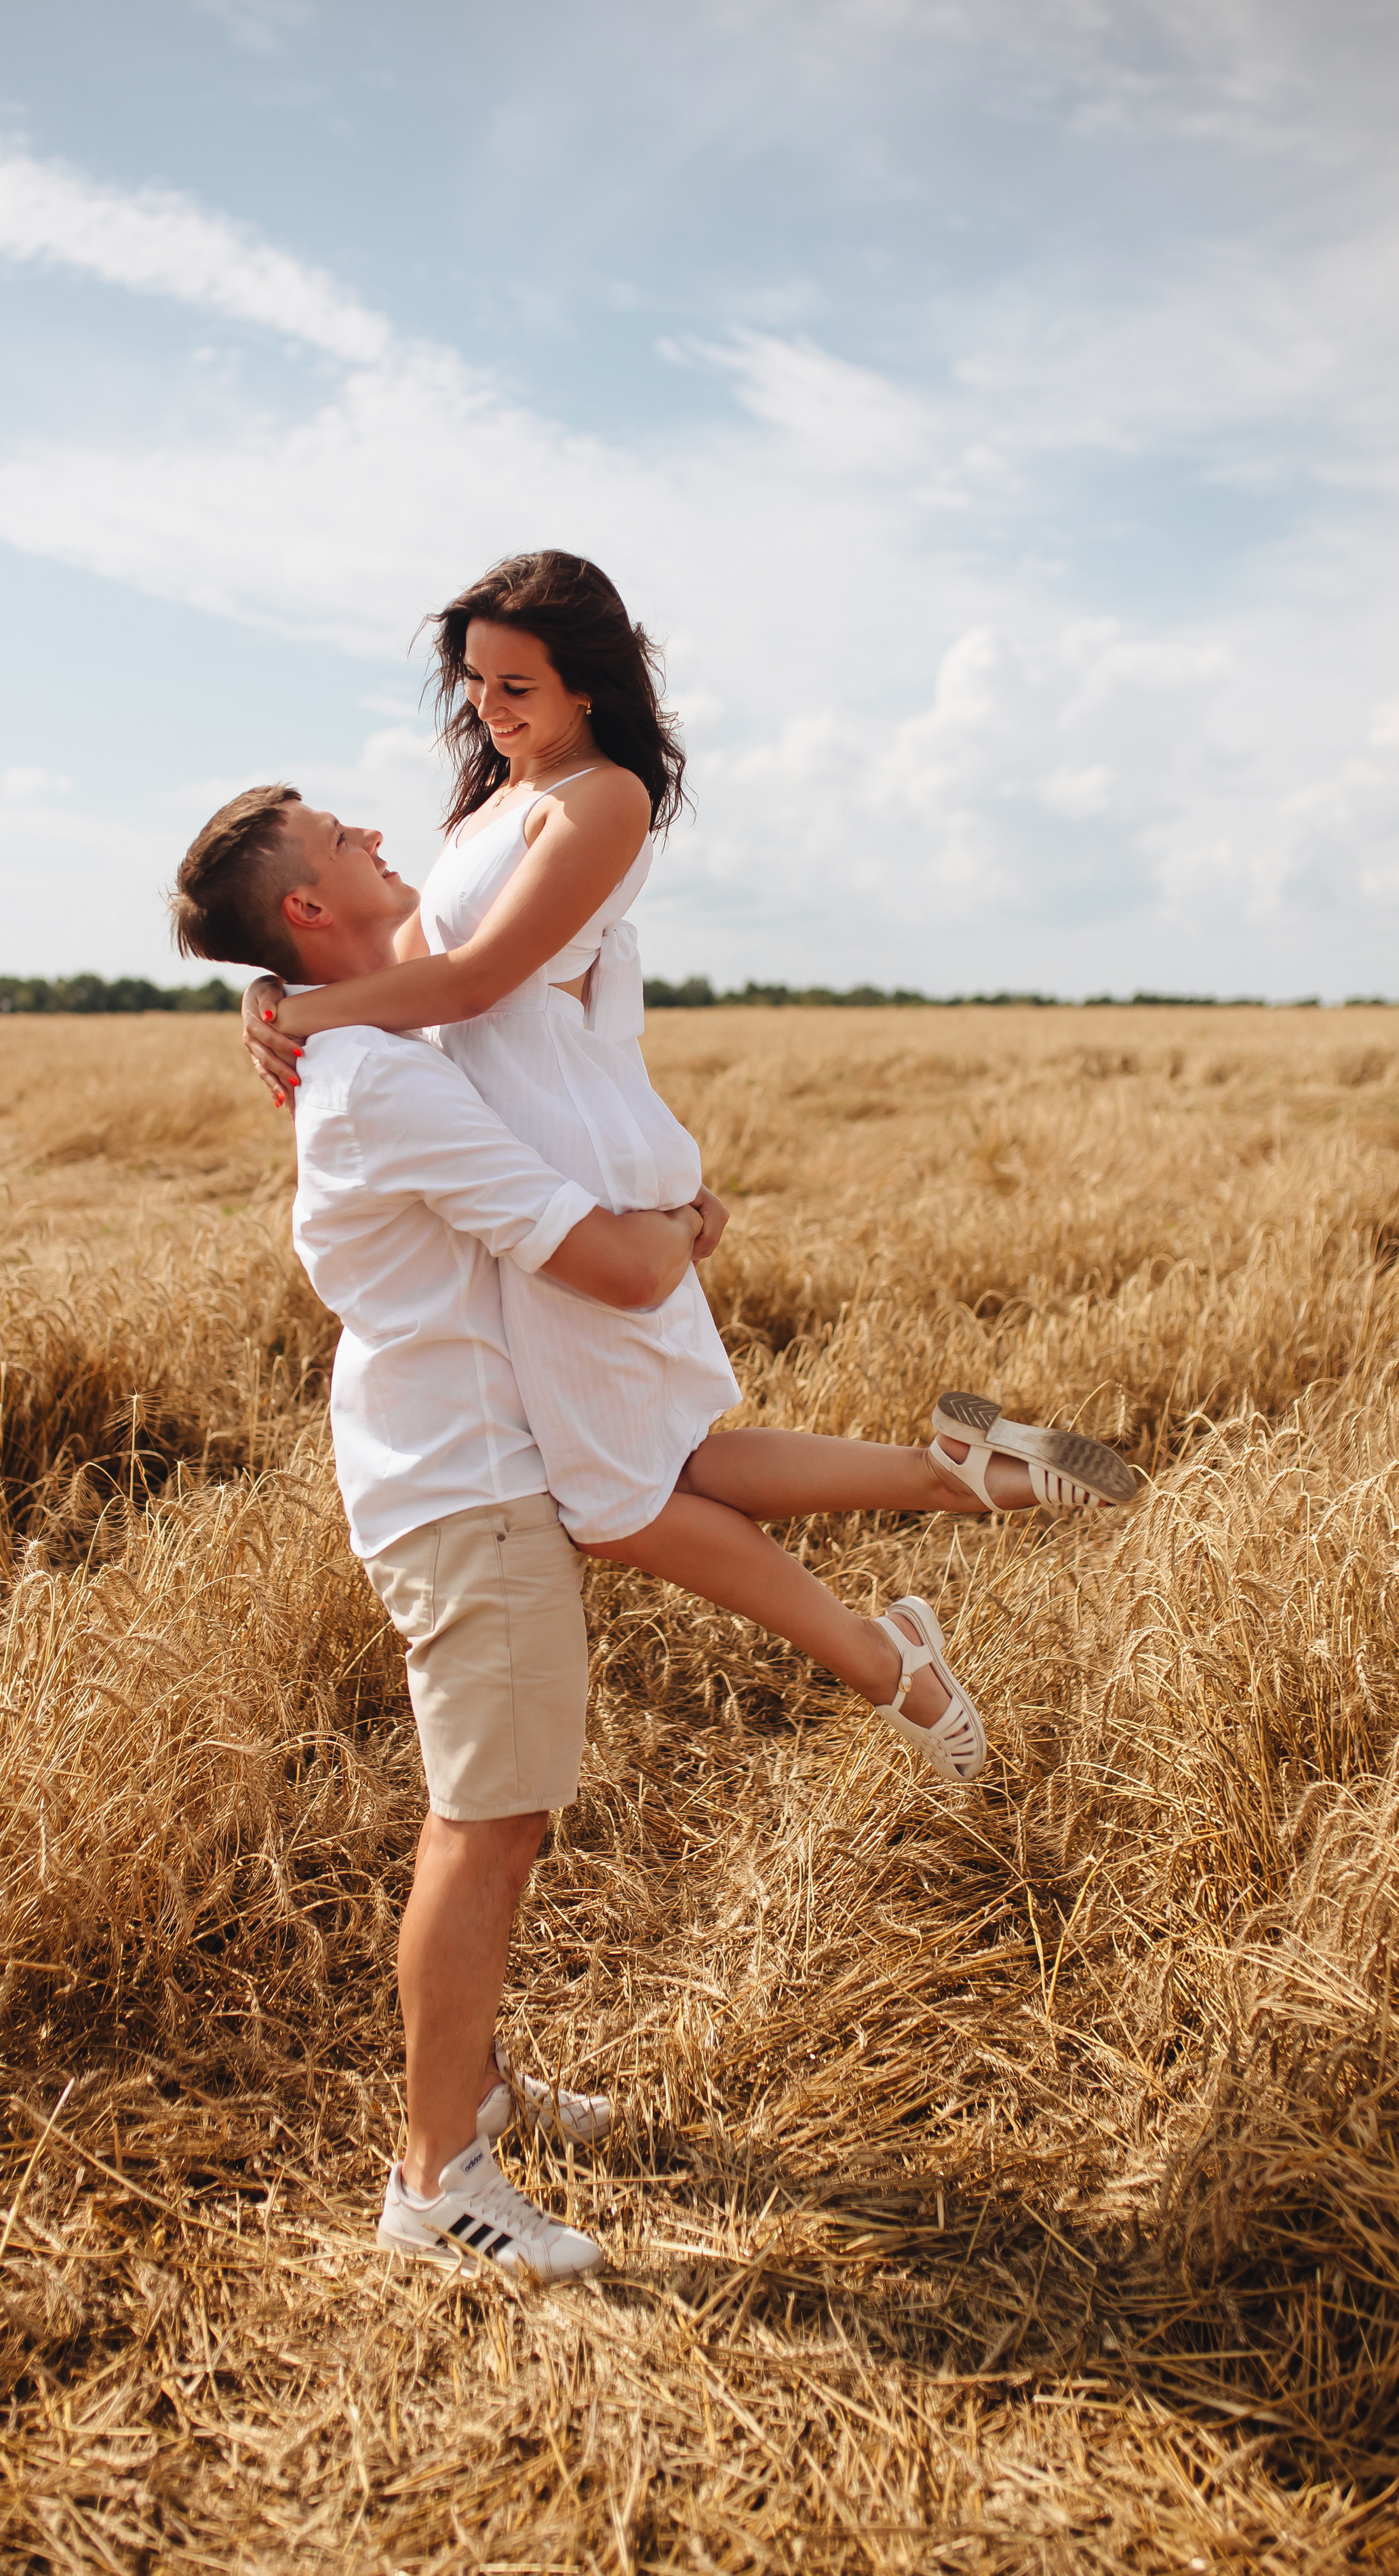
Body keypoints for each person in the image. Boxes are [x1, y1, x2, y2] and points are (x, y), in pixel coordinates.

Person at [167, 789, 1136, 2284]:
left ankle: (476, 2089)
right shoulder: (382, 1080)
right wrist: (680, 1220)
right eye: (333, 834)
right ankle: (435, 2180)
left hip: (493, 1450)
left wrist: (272, 1001)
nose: (369, 826)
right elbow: (617, 1269)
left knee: (529, 1769)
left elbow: (468, 992)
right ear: (304, 908)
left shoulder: (373, 1034)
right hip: (467, 1482)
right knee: (483, 1828)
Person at [238, 550, 1138, 1662]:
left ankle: (899, 1614)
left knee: (615, 1502)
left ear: (588, 688)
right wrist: (279, 990)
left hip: (563, 1143)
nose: (488, 707)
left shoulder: (602, 797)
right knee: (649, 1468)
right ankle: (948, 1475)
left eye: (517, 686)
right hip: (528, 1137)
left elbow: (476, 984)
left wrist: (299, 1019)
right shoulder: (493, 803)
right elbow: (405, 966)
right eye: (476, 681)